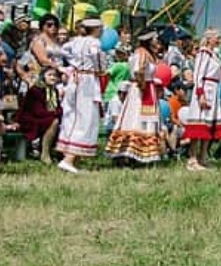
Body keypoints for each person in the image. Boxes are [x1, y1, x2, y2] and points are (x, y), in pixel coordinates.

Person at [55, 17, 109, 174]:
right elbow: (98, 61)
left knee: (74, 116)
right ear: (97, 29)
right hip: (87, 81)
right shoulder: (94, 43)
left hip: (75, 79)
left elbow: (62, 50)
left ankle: (72, 160)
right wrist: (100, 69)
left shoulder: (76, 41)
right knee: (86, 118)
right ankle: (69, 158)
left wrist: (72, 64)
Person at [104, 31, 166, 164]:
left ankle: (143, 154)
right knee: (136, 119)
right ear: (148, 40)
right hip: (141, 91)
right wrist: (143, 85)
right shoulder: (141, 53)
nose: (157, 41)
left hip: (146, 90)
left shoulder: (146, 53)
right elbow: (138, 71)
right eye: (155, 39)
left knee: (144, 119)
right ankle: (130, 154)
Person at [181, 28, 221, 171]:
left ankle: (203, 156)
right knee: (199, 125)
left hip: (214, 90)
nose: (219, 40)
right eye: (217, 37)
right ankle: (192, 158)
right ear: (209, 39)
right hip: (205, 89)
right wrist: (200, 93)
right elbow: (198, 74)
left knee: (208, 126)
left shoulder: (214, 55)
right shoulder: (203, 53)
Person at [17, 65, 62, 164]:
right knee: (54, 122)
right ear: (43, 76)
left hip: (45, 116)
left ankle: (60, 152)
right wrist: (55, 113)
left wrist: (56, 112)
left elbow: (59, 108)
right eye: (49, 75)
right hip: (30, 119)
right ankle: (45, 153)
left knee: (62, 121)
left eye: (55, 75)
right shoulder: (36, 90)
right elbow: (38, 111)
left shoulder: (54, 91)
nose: (53, 78)